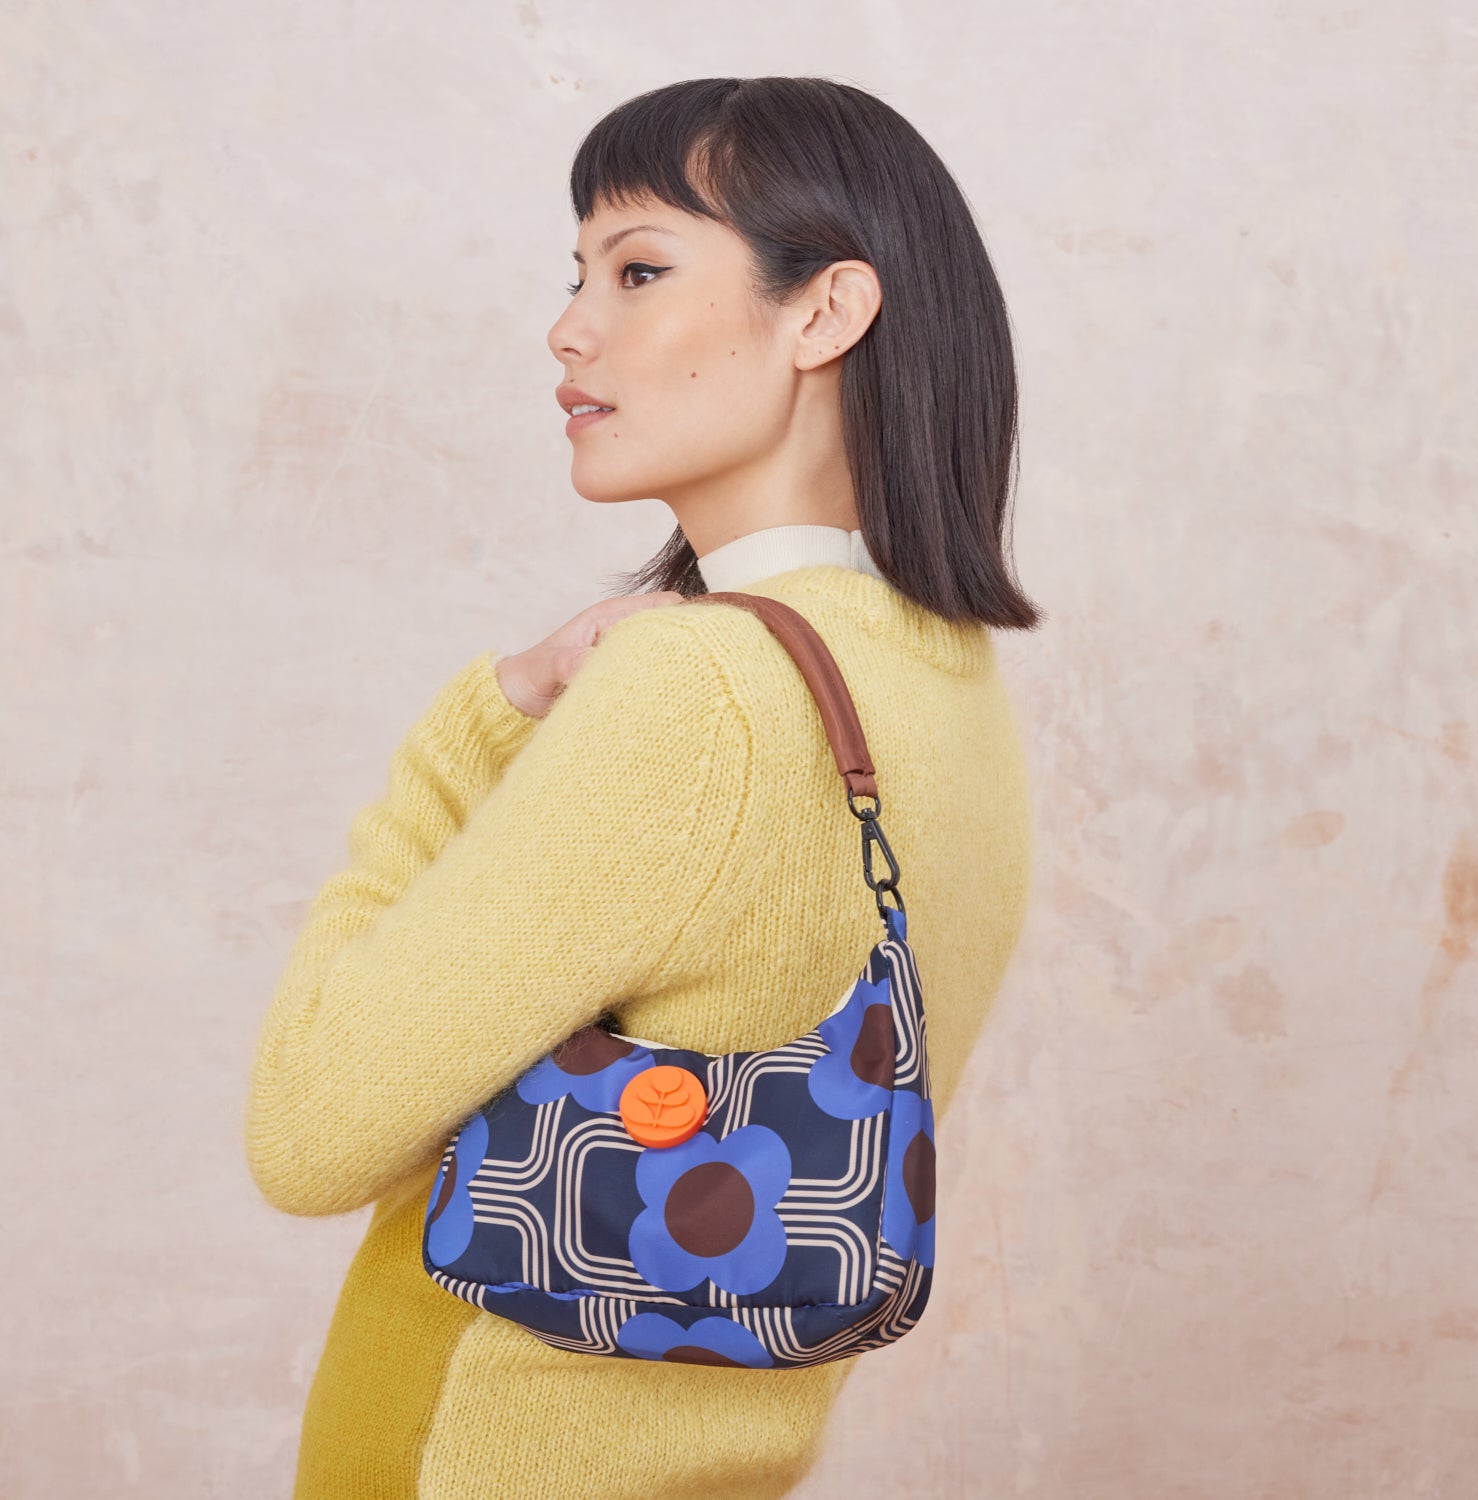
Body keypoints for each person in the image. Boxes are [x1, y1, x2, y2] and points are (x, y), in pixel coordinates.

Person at [244, 74, 1040, 1500]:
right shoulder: (939, 679)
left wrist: (476, 724)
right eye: (579, 275)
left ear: (824, 312)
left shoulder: (701, 696)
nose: (569, 326)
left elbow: (309, 1130)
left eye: (641, 268)